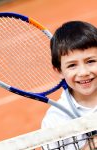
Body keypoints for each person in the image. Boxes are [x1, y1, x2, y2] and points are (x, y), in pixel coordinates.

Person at [41, 21, 97, 149]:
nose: (83, 72)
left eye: (91, 61)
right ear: (59, 71)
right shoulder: (54, 121)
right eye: (72, 65)